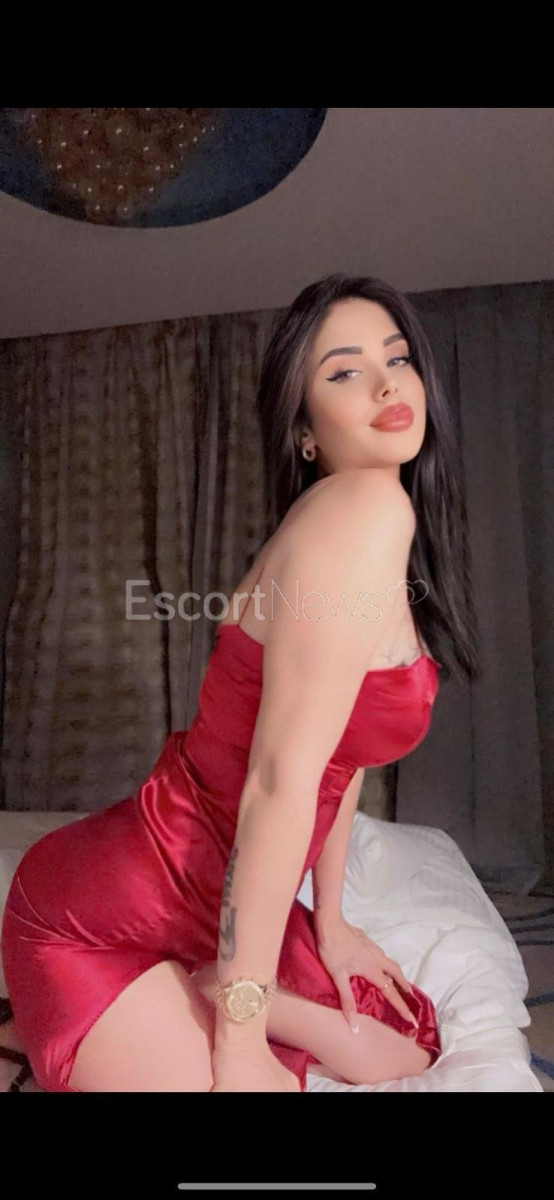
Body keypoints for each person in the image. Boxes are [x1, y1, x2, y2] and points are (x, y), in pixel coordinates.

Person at [1, 273, 480, 1092]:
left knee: (408, 1040)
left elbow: (339, 758)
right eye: (344, 370)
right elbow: (278, 783)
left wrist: (332, 923)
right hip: (108, 911)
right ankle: (161, 999)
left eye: (397, 359)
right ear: (303, 428)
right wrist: (241, 1040)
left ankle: (207, 984)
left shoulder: (374, 519)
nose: (386, 384)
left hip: (219, 894)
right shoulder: (360, 513)